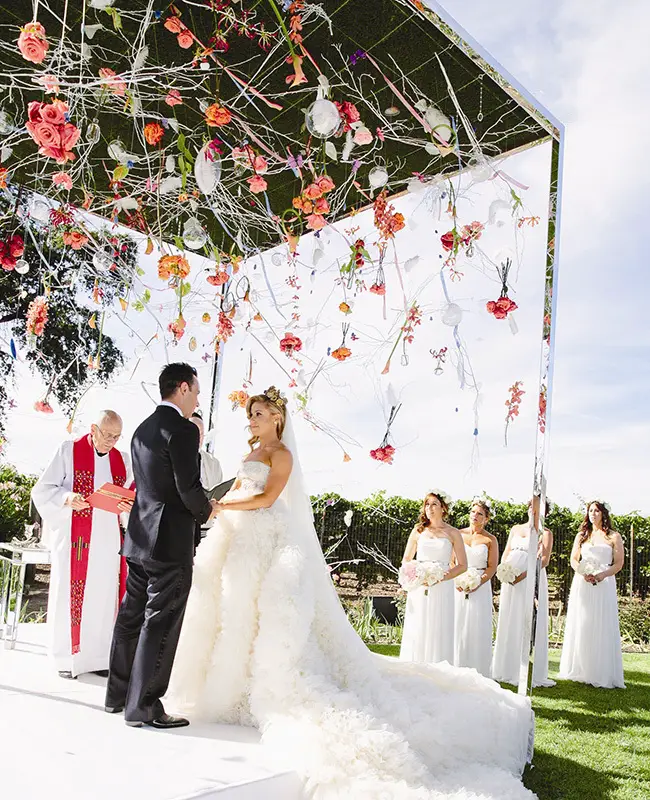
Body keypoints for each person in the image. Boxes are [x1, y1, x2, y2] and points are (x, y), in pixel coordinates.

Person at [168, 388, 535, 800]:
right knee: (231, 610)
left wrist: (224, 508)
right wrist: (217, 507)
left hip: (265, 539)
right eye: (249, 414)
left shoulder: (281, 455)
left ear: (276, 417)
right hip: (236, 539)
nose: (250, 420)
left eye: (257, 413)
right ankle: (227, 683)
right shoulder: (250, 453)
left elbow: (268, 497)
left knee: (264, 614)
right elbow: (236, 489)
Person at [104, 363, 218, 729]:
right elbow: (187, 488)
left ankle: (117, 696)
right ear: (182, 388)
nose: (197, 398)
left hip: (137, 539)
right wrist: (207, 508)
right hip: (169, 542)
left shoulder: (142, 429)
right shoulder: (182, 430)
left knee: (130, 616)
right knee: (161, 622)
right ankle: (145, 706)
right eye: (197, 392)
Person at [31, 410, 133, 679]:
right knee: (70, 594)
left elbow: (131, 497)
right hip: (76, 539)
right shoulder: (68, 451)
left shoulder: (121, 460)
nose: (111, 440)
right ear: (93, 429)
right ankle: (66, 658)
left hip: (108, 540)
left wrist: (125, 506)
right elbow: (42, 490)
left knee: (102, 597)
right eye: (107, 434)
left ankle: (98, 657)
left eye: (117, 436)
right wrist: (67, 498)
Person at [559, 500, 625, 688]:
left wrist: (602, 575)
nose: (593, 514)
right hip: (583, 582)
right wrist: (582, 572)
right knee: (583, 622)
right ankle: (580, 668)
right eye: (590, 511)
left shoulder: (614, 536)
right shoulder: (582, 535)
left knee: (601, 623)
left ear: (604, 513)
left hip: (604, 583)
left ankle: (600, 670)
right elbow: (573, 558)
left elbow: (618, 563)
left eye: (596, 511)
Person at [492, 496, 555, 688]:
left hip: (529, 578)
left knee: (524, 619)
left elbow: (543, 560)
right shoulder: (516, 529)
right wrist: (504, 571)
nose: (533, 511)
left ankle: (522, 667)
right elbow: (506, 552)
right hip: (510, 580)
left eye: (537, 509)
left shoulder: (546, 533)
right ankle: (504, 666)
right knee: (509, 618)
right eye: (531, 507)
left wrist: (524, 574)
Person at [399, 491, 467, 665]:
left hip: (442, 586)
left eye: (434, 504)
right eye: (427, 504)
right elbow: (407, 559)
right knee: (419, 624)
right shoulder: (418, 530)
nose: (429, 508)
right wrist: (414, 575)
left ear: (443, 508)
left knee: (438, 626)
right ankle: (414, 665)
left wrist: (442, 577)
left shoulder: (453, 533)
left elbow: (462, 565)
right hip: (420, 585)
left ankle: (438, 666)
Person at [454, 497, 498, 677]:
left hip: (480, 586)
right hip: (457, 585)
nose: (475, 516)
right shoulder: (458, 534)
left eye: (479, 514)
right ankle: (455, 666)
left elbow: (492, 567)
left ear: (486, 518)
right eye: (472, 512)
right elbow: (451, 561)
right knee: (457, 623)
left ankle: (478, 669)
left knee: (477, 626)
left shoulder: (490, 540)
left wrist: (477, 582)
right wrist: (457, 580)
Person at [190, 410, 223, 491]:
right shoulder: (170, 459)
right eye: (194, 432)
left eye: (201, 433)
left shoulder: (213, 463)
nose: (198, 438)